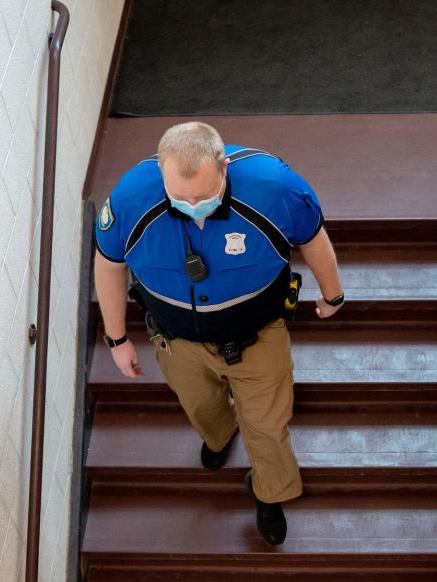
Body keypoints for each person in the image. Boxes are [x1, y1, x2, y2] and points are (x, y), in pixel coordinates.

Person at [93, 121, 343, 545]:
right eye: (179, 197)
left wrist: (333, 295)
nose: (191, 205)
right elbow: (109, 264)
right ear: (162, 176)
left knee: (267, 427)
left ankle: (269, 493)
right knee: (202, 408)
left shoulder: (274, 187)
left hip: (258, 336)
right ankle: (220, 435)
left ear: (224, 167)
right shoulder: (132, 198)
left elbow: (313, 239)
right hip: (178, 342)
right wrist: (116, 339)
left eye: (203, 197)